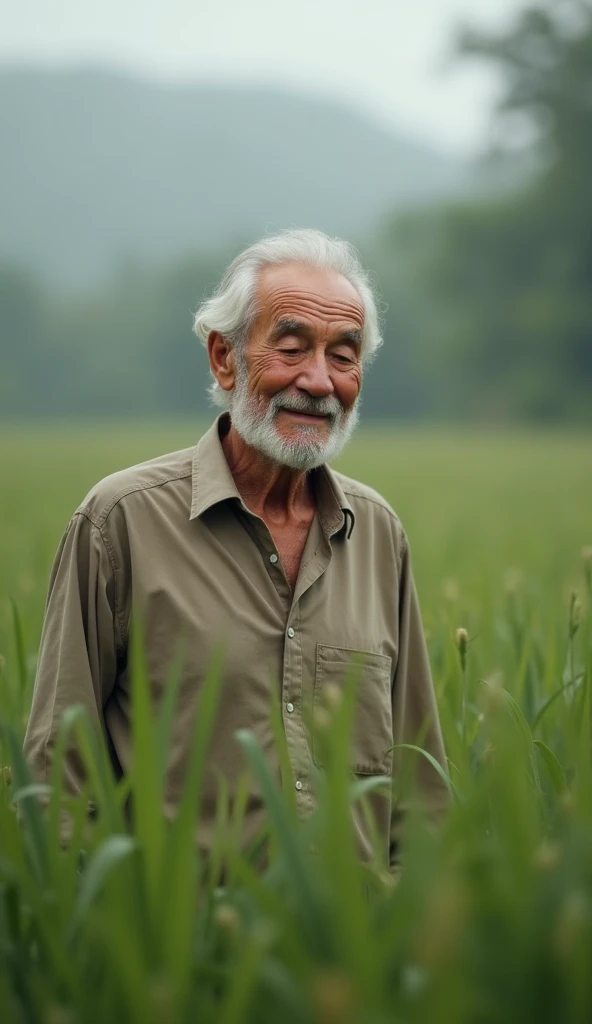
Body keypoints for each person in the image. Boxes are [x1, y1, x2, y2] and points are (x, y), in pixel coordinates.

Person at [23, 228, 449, 875]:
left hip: (350, 958)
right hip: (177, 960)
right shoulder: (121, 524)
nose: (319, 381)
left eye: (344, 354)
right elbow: (59, 782)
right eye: (292, 347)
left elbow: (420, 792)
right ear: (224, 358)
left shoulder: (378, 535)